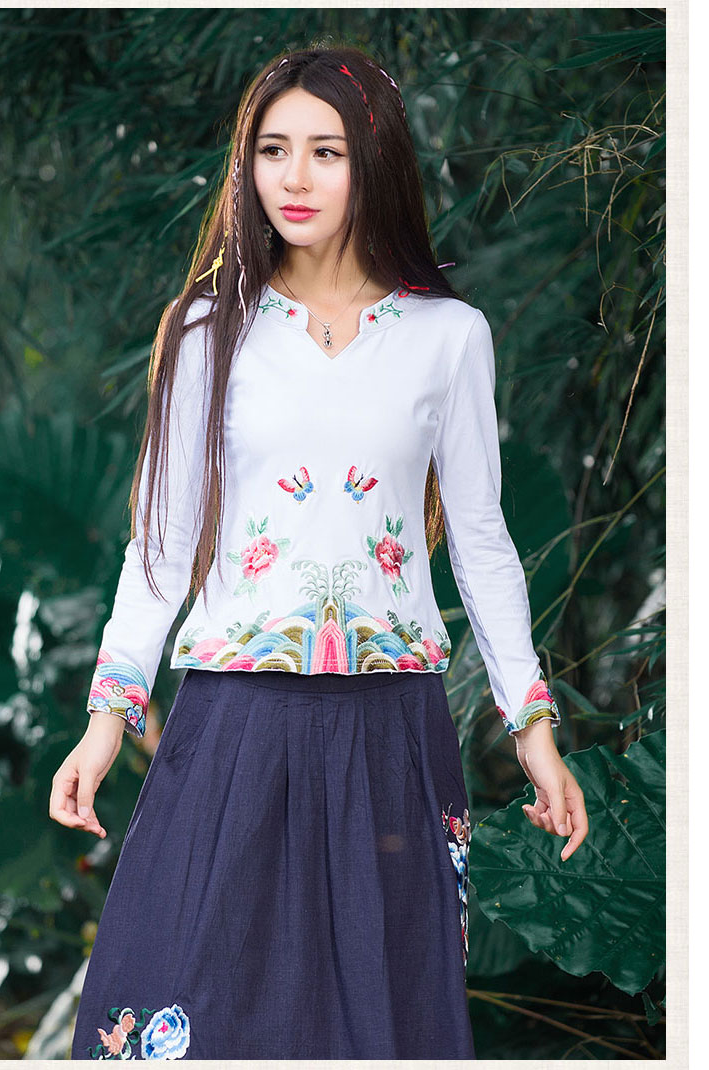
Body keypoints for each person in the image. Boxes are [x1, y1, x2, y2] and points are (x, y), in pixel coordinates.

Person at [50, 45, 589, 1060]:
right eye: (272, 150)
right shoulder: (204, 330)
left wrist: (532, 729)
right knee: (195, 1008)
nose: (293, 178)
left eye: (326, 152)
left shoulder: (448, 336)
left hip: (392, 732)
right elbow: (162, 542)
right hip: (233, 725)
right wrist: (107, 718)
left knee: (380, 1023)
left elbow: (481, 542)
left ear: (371, 163)